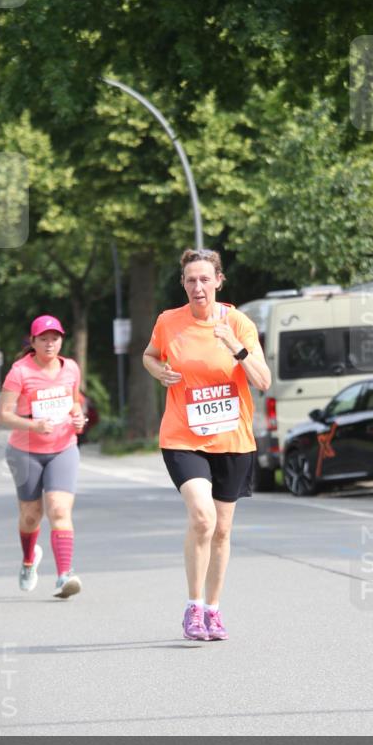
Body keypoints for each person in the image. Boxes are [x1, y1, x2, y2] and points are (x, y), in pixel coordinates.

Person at [143, 248, 271, 641]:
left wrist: (235, 345)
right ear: (182, 284)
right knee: (203, 517)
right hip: (183, 435)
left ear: (219, 281)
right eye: (190, 280)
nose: (197, 287)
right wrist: (158, 370)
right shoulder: (169, 322)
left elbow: (263, 382)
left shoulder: (238, 323)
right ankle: (193, 607)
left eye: (204, 279)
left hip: (232, 438)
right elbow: (149, 355)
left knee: (222, 530)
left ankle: (214, 610)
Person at [0, 315, 87, 598]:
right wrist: (32, 425)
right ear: (33, 342)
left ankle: (64, 576)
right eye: (44, 339)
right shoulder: (19, 372)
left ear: (62, 340)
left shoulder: (71, 367)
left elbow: (75, 401)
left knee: (59, 510)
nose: (50, 344)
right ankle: (28, 561)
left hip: (63, 447)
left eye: (55, 338)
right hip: (25, 450)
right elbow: (3, 415)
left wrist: (78, 417)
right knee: (31, 515)